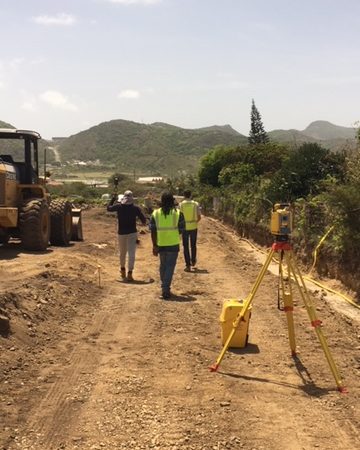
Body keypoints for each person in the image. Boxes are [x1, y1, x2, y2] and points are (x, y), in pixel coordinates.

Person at [150, 192, 185, 299]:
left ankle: (164, 287)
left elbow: (153, 231)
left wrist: (154, 245)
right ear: (172, 200)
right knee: (170, 267)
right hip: (173, 244)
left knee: (163, 266)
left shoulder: (155, 213)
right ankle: (165, 289)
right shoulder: (178, 213)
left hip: (161, 244)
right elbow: (182, 229)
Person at [107, 190, 146, 281]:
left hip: (121, 233)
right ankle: (130, 273)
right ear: (132, 198)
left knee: (122, 253)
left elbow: (108, 208)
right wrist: (142, 223)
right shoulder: (135, 208)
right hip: (132, 233)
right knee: (131, 253)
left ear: (124, 198)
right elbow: (143, 220)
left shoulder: (119, 206)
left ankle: (122, 270)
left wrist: (113, 199)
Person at [180, 189, 201, 271]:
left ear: (184, 195)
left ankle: (187, 265)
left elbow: (180, 217)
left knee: (185, 246)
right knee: (193, 245)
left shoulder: (181, 204)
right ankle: (193, 260)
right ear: (191, 195)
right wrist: (195, 222)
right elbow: (199, 217)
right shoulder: (195, 204)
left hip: (185, 227)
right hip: (193, 227)